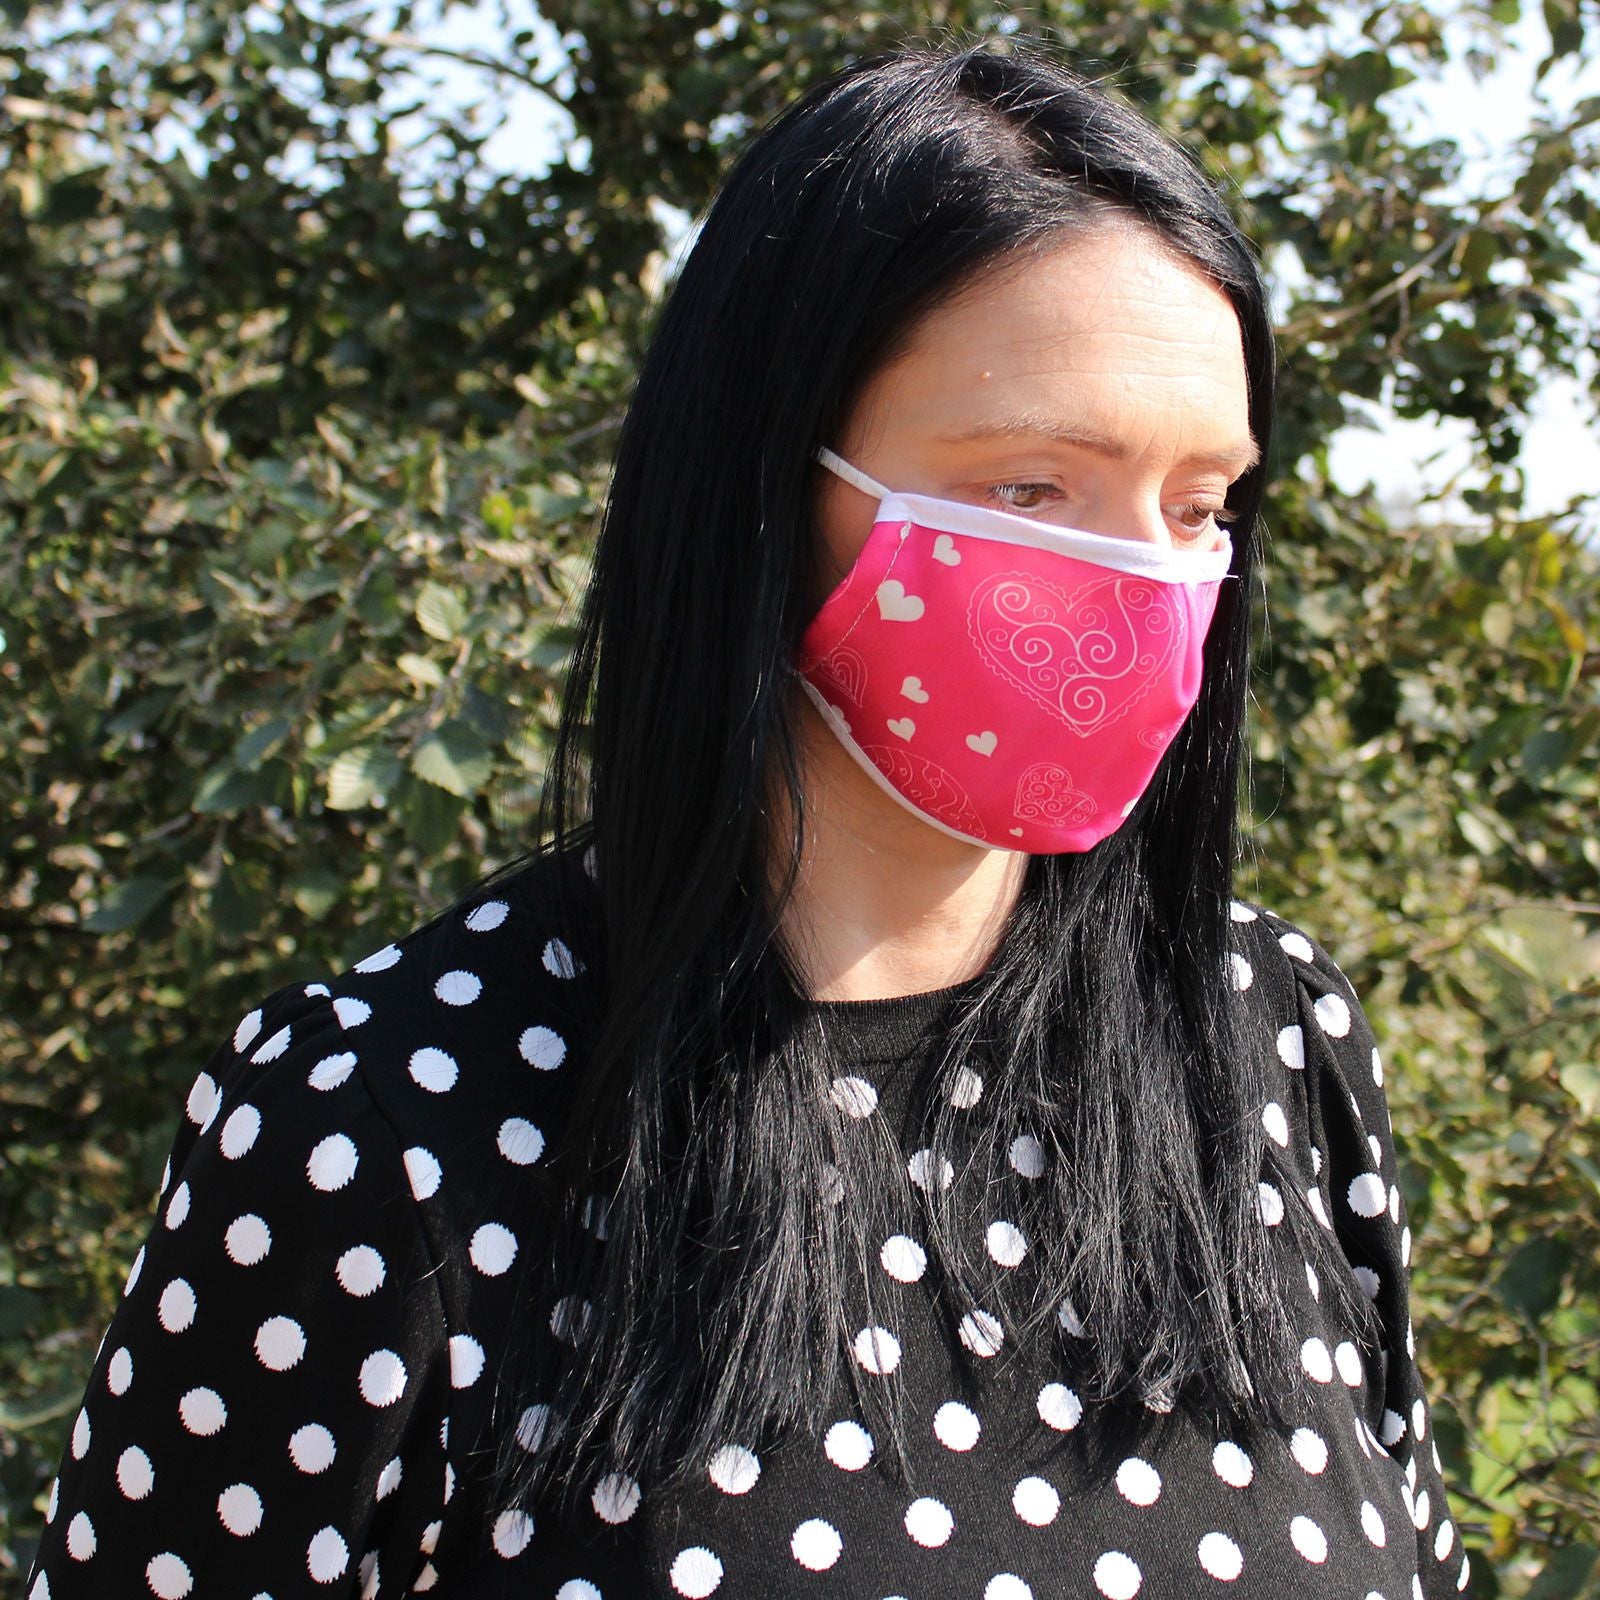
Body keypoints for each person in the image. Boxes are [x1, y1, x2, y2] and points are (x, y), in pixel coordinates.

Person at [26, 42, 1467, 1600]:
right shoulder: (383, 1126)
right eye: (1035, 487)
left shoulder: (1266, 1035)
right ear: (771, 486)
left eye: (1199, 507)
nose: (1144, 583)